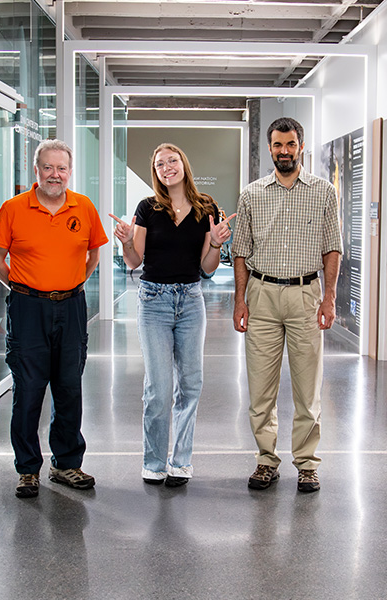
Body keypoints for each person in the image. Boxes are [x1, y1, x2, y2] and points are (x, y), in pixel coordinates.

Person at [0, 139, 109, 498]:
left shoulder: (83, 207)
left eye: (62, 168)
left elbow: (93, 256)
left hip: (71, 308)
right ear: (36, 169)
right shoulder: (13, 208)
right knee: (28, 391)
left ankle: (66, 464)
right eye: (48, 167)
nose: (55, 175)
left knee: (69, 388)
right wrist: (27, 288)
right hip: (28, 310)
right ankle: (27, 470)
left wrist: (66, 285)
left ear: (69, 172)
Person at [109, 143, 233, 487]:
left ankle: (180, 461)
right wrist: (125, 242)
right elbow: (135, 262)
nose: (167, 167)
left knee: (191, 384)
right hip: (154, 301)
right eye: (160, 163)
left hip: (191, 300)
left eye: (172, 160)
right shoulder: (147, 208)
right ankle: (153, 461)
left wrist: (217, 243)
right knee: (160, 388)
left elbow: (207, 269)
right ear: (156, 171)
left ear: (183, 164)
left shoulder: (206, 206)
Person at [232, 117, 342, 494]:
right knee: (261, 387)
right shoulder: (251, 194)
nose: (284, 151)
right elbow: (241, 252)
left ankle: (307, 464)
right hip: (261, 295)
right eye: (277, 145)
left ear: (301, 146)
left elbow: (332, 248)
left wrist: (328, 297)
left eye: (290, 144)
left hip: (305, 296)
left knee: (307, 387)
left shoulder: (324, 192)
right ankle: (266, 460)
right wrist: (239, 302)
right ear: (269, 148)